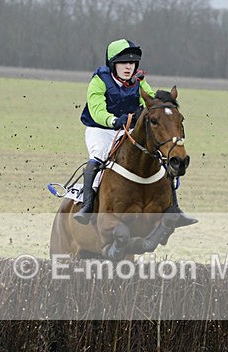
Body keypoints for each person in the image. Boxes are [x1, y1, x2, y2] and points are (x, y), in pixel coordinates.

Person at [74, 38, 196, 226]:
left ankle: (174, 208)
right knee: (98, 157)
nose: (128, 67)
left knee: (158, 156)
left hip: (128, 128)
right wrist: (113, 120)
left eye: (131, 63)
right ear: (113, 64)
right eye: (123, 63)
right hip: (101, 129)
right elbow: (97, 110)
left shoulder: (138, 80)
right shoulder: (99, 80)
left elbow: (150, 100)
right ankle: (87, 206)